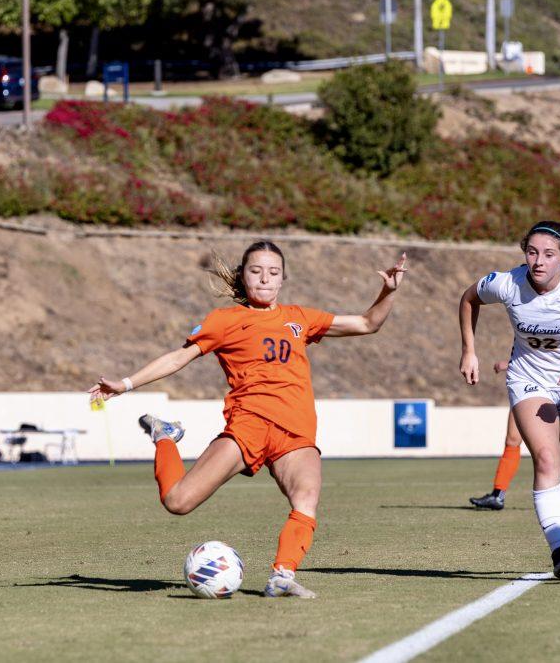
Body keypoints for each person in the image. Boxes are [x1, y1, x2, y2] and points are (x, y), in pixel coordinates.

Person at [89, 241, 407, 599]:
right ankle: (164, 436)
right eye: (256, 271)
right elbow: (178, 358)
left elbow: (368, 323)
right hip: (247, 428)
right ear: (243, 276)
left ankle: (282, 575)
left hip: (295, 433)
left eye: (273, 272)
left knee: (306, 499)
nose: (265, 278)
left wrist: (388, 291)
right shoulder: (224, 320)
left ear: (283, 278)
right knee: (178, 502)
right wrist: (126, 384)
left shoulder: (300, 318)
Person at [459, 221, 560, 578]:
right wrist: (470, 351)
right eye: (532, 252)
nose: (538, 262)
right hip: (528, 379)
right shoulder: (507, 283)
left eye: (548, 254)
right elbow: (468, 299)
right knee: (547, 459)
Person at [469, 361, 524, 510]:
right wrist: (514, 362)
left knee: (555, 441)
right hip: (526, 381)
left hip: (554, 381)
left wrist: (511, 362)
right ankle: (498, 495)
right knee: (513, 440)